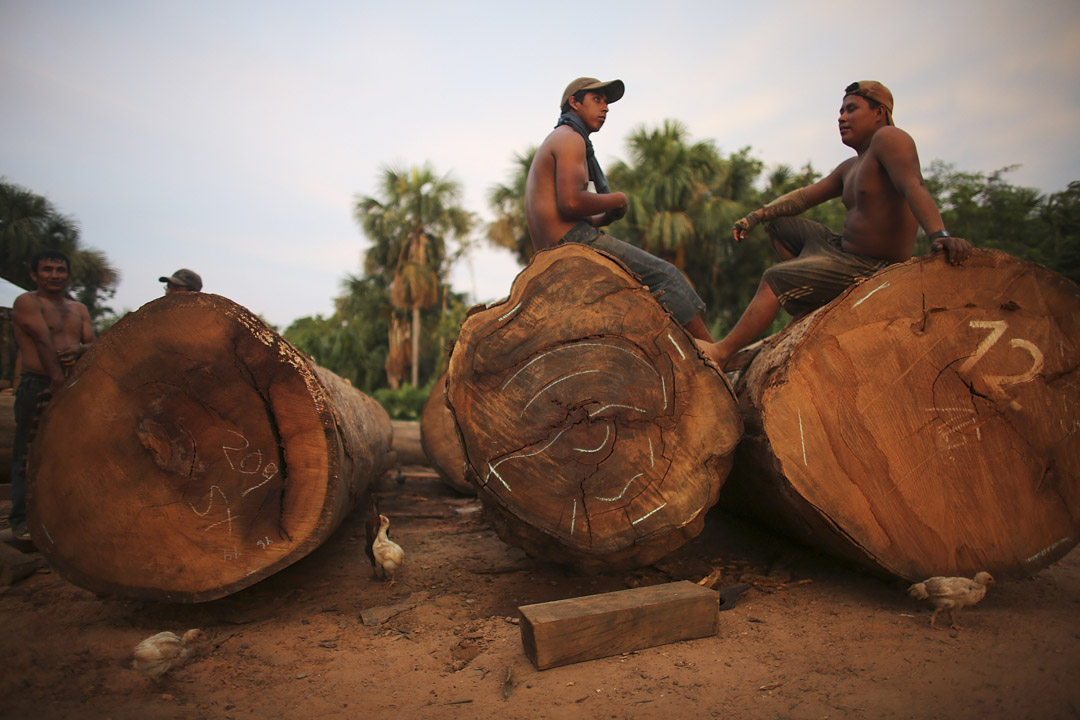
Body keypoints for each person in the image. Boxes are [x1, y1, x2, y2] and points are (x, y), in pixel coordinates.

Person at [696, 81, 972, 368]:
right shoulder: (850, 167)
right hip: (840, 250)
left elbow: (913, 185)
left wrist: (939, 234)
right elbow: (803, 198)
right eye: (840, 111)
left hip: (872, 266)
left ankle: (723, 352)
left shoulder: (890, 138)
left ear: (879, 113)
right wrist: (756, 217)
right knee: (779, 225)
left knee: (775, 278)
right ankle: (811, 305)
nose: (841, 118)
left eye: (851, 109)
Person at [525, 77, 713, 341]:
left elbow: (567, 215)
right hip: (573, 243)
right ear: (574, 103)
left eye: (607, 102)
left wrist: (604, 216)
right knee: (666, 276)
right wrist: (618, 200)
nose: (606, 108)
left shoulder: (559, 138)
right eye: (597, 100)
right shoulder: (570, 139)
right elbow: (571, 202)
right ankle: (714, 354)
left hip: (555, 247)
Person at [8, 249, 95, 541]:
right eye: (47, 269)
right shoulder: (27, 302)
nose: (54, 275)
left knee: (70, 452)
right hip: (39, 383)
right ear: (34, 274)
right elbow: (43, 342)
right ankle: (21, 521)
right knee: (29, 451)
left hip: (72, 384)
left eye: (60, 270)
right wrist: (58, 382)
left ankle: (64, 520)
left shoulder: (78, 309)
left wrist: (79, 351)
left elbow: (91, 345)